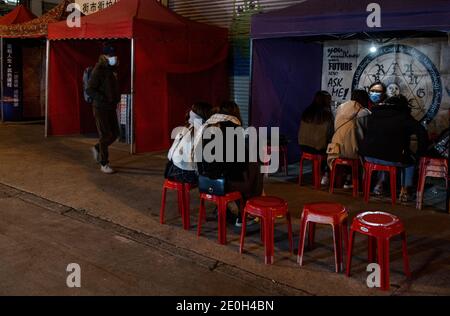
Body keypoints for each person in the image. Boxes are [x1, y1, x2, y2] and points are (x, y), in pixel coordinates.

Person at [196, 101, 263, 228]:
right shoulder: (232, 127)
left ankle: (229, 209)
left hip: (204, 180)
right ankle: (245, 214)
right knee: (252, 168)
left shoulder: (208, 125)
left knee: (246, 168)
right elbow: (236, 164)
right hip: (219, 182)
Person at [357, 95, 429, 202]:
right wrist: (421, 153)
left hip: (368, 157)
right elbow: (421, 131)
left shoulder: (374, 113)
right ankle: (405, 191)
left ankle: (379, 185)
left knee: (384, 155)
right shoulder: (403, 116)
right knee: (410, 162)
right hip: (391, 157)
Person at [87, 43, 121, 174]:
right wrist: (102, 98)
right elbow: (89, 89)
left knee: (115, 134)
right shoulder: (99, 69)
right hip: (100, 107)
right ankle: (104, 163)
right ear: (104, 56)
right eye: (110, 55)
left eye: (114, 55)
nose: (113, 57)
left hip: (111, 107)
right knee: (105, 135)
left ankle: (97, 148)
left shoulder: (112, 69)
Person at [327, 89, 370, 188]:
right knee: (366, 155)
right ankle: (354, 181)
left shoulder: (340, 107)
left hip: (334, 149)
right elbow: (366, 133)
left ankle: (338, 177)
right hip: (352, 151)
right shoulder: (364, 112)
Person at [165, 102, 213, 184]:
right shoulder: (203, 130)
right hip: (185, 174)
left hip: (172, 169)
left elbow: (170, 155)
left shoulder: (187, 127)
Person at [298, 90, 334, 185]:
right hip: (318, 148)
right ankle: (326, 175)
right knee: (333, 149)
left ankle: (321, 174)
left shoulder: (307, 111)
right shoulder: (327, 114)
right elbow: (330, 133)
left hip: (303, 145)